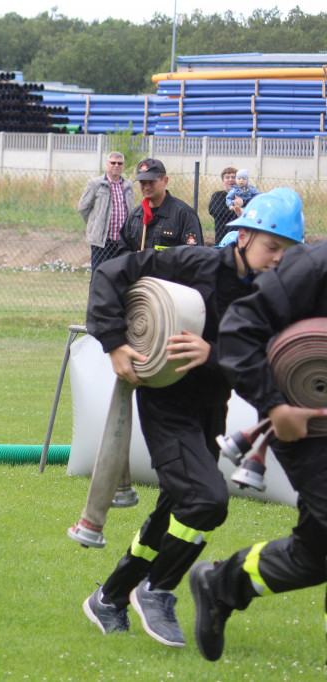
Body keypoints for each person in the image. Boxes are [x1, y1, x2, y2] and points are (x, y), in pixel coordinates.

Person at [82, 188, 304, 649]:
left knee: (175, 507)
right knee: (207, 501)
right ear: (242, 236)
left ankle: (110, 596)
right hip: (166, 402)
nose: (277, 261)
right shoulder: (195, 264)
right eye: (271, 247)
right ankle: (158, 590)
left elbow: (260, 368)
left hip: (210, 407)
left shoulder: (275, 300)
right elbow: (110, 272)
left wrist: (210, 355)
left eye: (287, 254)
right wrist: (114, 341)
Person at [188, 193, 327, 663]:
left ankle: (221, 584)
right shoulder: (310, 268)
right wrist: (276, 404)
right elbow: (238, 332)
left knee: (316, 555)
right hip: (301, 424)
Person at [110, 158, 204, 258]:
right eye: (143, 183)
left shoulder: (184, 214)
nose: (147, 187)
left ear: (165, 181)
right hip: (141, 273)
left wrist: (160, 259)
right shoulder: (135, 216)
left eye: (151, 182)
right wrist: (135, 259)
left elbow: (194, 256)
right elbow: (122, 250)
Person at [79, 151, 133, 274]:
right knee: (99, 274)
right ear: (107, 165)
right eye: (113, 163)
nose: (116, 166)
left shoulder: (128, 185)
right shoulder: (95, 184)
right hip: (102, 241)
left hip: (121, 241)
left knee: (119, 276)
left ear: (123, 166)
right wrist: (95, 223)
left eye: (119, 163)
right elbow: (83, 208)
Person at [208, 167, 237, 246]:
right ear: (223, 180)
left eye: (233, 177)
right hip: (221, 238)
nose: (230, 180)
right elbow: (215, 211)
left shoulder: (243, 197)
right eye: (227, 177)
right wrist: (237, 211)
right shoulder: (218, 196)